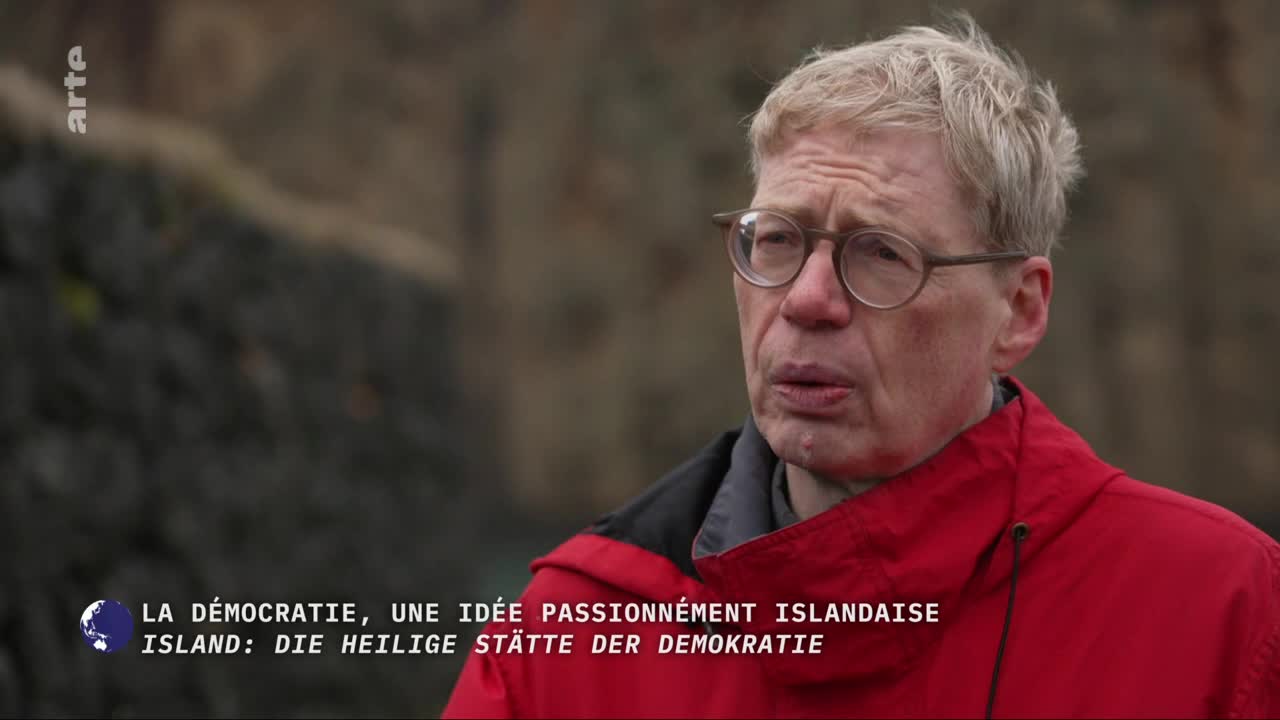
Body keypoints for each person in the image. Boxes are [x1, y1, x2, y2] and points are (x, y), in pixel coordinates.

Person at [443, 15, 1279, 719]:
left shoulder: (1219, 613)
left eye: (882, 253)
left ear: (1019, 311)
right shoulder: (575, 635)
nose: (807, 299)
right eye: (776, 239)